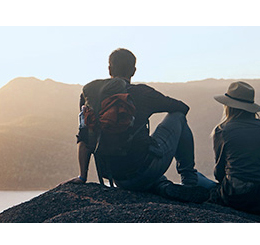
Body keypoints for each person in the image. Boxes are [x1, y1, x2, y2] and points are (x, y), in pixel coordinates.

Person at [66, 48, 209, 203]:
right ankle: (189, 181)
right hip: (143, 169)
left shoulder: (89, 94)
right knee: (178, 117)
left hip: (114, 175)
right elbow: (182, 108)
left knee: (149, 177)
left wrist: (83, 176)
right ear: (133, 71)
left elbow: (84, 135)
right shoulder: (142, 92)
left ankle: (164, 187)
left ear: (109, 69)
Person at [209, 81, 260, 218]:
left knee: (199, 179)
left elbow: (219, 172)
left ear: (228, 106)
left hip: (234, 195)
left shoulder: (223, 130)